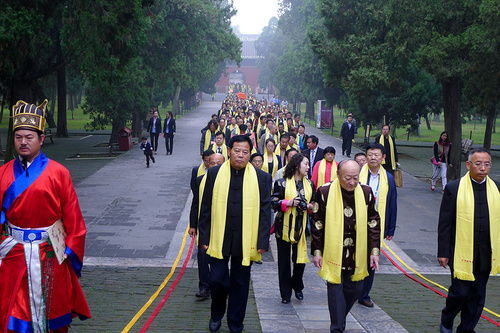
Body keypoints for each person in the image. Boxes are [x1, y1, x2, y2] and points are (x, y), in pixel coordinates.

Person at [0, 100, 91, 332]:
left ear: (41, 139)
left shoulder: (59, 173)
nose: (23, 142)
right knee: (11, 318)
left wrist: (67, 254)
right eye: (18, 136)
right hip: (13, 255)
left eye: (29, 137)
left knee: (53, 317)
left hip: (49, 255)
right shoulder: (2, 174)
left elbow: (75, 222)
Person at [198, 135, 272, 333]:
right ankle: (216, 314)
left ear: (250, 154)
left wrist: (262, 240)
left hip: (245, 239)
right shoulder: (214, 174)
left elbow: (266, 211)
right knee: (218, 281)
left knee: (240, 284)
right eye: (237, 151)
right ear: (229, 151)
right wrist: (203, 237)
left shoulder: (261, 177)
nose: (240, 155)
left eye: (245, 152)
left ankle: (236, 323)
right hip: (218, 237)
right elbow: (205, 208)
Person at [311, 160, 380, 333]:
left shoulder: (365, 192)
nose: (352, 182)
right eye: (347, 178)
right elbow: (317, 222)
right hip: (333, 251)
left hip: (357, 252)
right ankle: (337, 328)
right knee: (335, 291)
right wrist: (317, 251)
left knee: (355, 289)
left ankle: (339, 319)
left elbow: (373, 221)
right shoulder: (325, 191)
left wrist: (374, 251)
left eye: (355, 178)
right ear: (338, 175)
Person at [437, 148, 500, 333]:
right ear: (468, 165)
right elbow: (445, 224)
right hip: (460, 251)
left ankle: (466, 328)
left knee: (478, 294)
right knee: (460, 293)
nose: (483, 168)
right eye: (478, 163)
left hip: (486, 252)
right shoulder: (454, 188)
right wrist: (443, 252)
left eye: (487, 164)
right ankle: (447, 319)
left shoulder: (496, 188)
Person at [357, 143, 397, 308]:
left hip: (376, 226)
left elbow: (392, 204)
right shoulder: (358, 174)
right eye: (370, 154)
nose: (373, 158)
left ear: (383, 157)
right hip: (356, 223)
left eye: (376, 155)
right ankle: (351, 289)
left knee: (371, 259)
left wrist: (390, 228)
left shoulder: (388, 178)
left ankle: (364, 294)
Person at [271, 154, 315, 304]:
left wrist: (309, 206)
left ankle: (297, 285)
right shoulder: (281, 183)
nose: (308, 167)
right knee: (283, 262)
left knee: (299, 261)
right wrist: (288, 202)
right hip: (283, 227)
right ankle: (285, 293)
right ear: (297, 166)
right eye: (306, 164)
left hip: (301, 228)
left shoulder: (310, 184)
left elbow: (314, 203)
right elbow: (273, 202)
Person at [189, 153, 225, 298]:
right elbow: (195, 203)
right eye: (212, 163)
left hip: (222, 225)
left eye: (218, 163)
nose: (215, 166)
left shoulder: (229, 182)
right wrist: (193, 224)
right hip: (205, 225)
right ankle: (204, 286)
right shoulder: (200, 180)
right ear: (207, 165)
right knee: (202, 256)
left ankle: (219, 285)